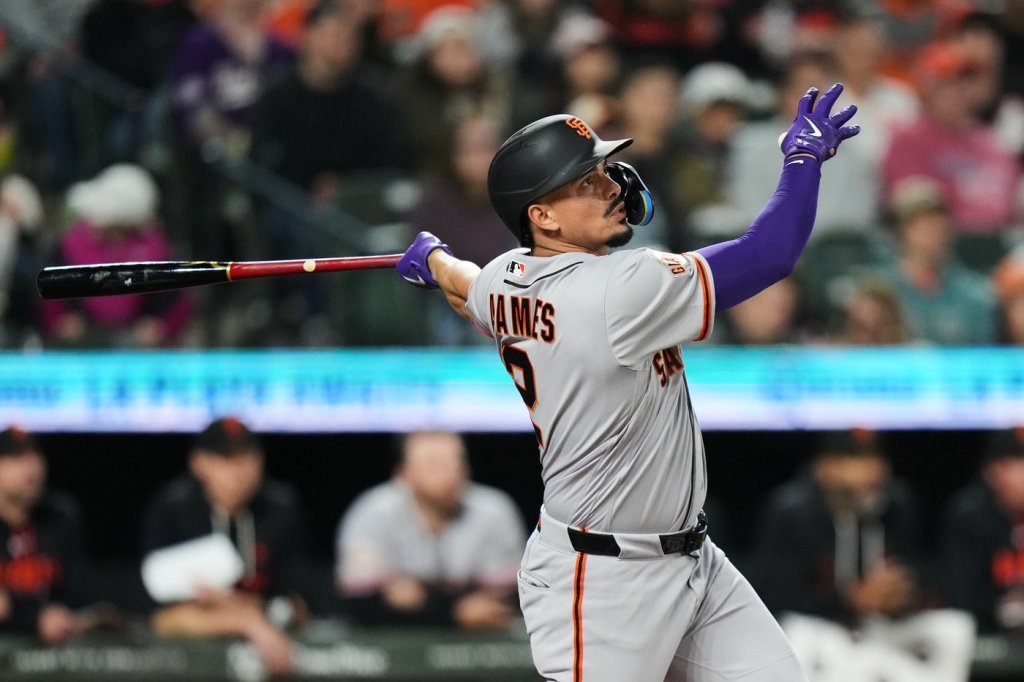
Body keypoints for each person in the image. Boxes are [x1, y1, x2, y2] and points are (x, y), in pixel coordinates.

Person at [393, 81, 859, 680]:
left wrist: (434, 262)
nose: (613, 187)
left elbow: (467, 288)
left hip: (694, 563)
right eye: (586, 183)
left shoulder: (506, 275)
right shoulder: (620, 288)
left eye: (604, 172)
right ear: (542, 216)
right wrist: (803, 159)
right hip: (603, 584)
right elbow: (770, 254)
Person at [749, 430, 975, 682]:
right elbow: (775, 595)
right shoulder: (795, 511)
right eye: (855, 459)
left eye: (874, 458)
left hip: (883, 630)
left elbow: (924, 573)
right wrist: (849, 600)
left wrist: (904, 592)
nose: (870, 469)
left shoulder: (896, 504)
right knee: (797, 632)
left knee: (955, 628)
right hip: (826, 630)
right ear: (825, 468)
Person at [140, 416, 312, 675]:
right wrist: (247, 622)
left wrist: (240, 606)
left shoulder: (280, 508)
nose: (239, 471)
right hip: (189, 665)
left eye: (248, 457)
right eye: (226, 459)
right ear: (199, 463)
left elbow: (299, 605)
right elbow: (160, 618)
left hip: (270, 651)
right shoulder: (174, 509)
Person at [335, 430, 525, 629]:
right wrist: (453, 611)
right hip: (397, 636)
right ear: (403, 474)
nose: (450, 472)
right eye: (433, 464)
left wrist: (418, 599)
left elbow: (511, 595)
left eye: (456, 462)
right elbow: (359, 600)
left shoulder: (494, 511)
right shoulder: (373, 513)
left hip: (482, 637)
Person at [39, 163, 194, 348]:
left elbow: (178, 303)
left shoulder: (156, 248)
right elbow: (48, 295)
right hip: (80, 349)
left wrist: (161, 327)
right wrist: (60, 321)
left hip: (140, 350)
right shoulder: (70, 245)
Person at [0, 426, 103, 643]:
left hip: (55, 651)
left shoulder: (60, 519)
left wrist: (57, 616)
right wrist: (34, 618)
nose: (31, 467)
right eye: (17, 457)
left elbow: (80, 595)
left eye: (35, 455)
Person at [941, 427, 1024, 634]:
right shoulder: (971, 517)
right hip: (988, 630)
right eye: (1018, 464)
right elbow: (962, 597)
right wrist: (1003, 606)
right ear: (992, 471)